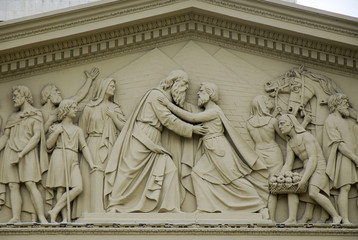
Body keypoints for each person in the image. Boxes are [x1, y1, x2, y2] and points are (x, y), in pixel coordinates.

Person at [104, 70, 207, 213]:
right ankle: (114, 205)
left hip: (154, 137)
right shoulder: (156, 95)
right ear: (175, 83)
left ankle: (170, 207)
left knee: (170, 170)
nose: (185, 89)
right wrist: (191, 129)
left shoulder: (164, 98)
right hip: (143, 137)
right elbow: (168, 120)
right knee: (129, 172)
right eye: (184, 85)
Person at [159, 82, 268, 215]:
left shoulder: (214, 111)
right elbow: (190, 112)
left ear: (209, 94)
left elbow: (192, 118)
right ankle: (204, 207)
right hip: (211, 149)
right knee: (198, 173)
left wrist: (168, 105)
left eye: (201, 91)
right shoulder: (208, 111)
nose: (198, 93)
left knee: (233, 178)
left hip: (219, 149)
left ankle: (261, 206)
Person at [74, 77, 126, 216]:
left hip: (111, 145)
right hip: (93, 144)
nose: (113, 88)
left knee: (110, 175)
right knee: (94, 175)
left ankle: (109, 207)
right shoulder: (89, 108)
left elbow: (124, 128)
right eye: (111, 85)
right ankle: (92, 210)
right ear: (102, 86)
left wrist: (114, 117)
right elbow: (81, 133)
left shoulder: (115, 108)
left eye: (114, 86)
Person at [278, 114, 342, 224]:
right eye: (279, 124)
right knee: (291, 187)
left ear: (291, 123)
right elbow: (288, 164)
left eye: (282, 123)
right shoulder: (290, 143)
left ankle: (336, 216)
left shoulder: (306, 136)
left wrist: (303, 179)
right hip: (307, 167)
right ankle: (292, 218)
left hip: (318, 167)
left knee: (313, 192)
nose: (280, 126)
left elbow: (313, 159)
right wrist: (280, 176)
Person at [0, 85, 48, 223]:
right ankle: (16, 217)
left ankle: (41, 216)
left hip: (27, 152)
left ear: (24, 95)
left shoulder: (35, 114)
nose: (14, 99)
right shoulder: (12, 117)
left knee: (30, 183)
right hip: (10, 151)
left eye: (16, 96)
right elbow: (5, 137)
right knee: (13, 185)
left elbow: (36, 137)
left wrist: (22, 153)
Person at [46, 99, 99, 223]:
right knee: (60, 189)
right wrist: (56, 133)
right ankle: (64, 218)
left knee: (78, 187)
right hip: (60, 155)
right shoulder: (56, 128)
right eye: (73, 107)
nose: (76, 109)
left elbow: (84, 146)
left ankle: (54, 211)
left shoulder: (77, 130)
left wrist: (92, 164)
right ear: (66, 109)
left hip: (73, 158)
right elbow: (48, 145)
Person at [246, 95, 285, 221]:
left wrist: (273, 114)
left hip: (259, 153)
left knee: (262, 186)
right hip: (273, 153)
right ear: (263, 105)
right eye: (266, 101)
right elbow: (284, 137)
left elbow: (261, 128)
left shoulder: (249, 123)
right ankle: (272, 219)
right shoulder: (272, 121)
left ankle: (262, 212)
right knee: (273, 186)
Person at [323, 93, 358, 224]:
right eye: (344, 103)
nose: (347, 106)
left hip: (353, 156)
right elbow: (339, 144)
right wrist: (354, 158)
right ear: (336, 105)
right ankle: (345, 219)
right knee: (346, 187)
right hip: (345, 157)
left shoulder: (346, 120)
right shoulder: (331, 120)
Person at [40, 67, 99, 133]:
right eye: (56, 90)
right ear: (48, 94)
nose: (59, 92)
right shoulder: (40, 112)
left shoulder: (60, 108)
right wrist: (50, 121)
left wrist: (89, 79)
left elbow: (79, 95)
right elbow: (39, 134)